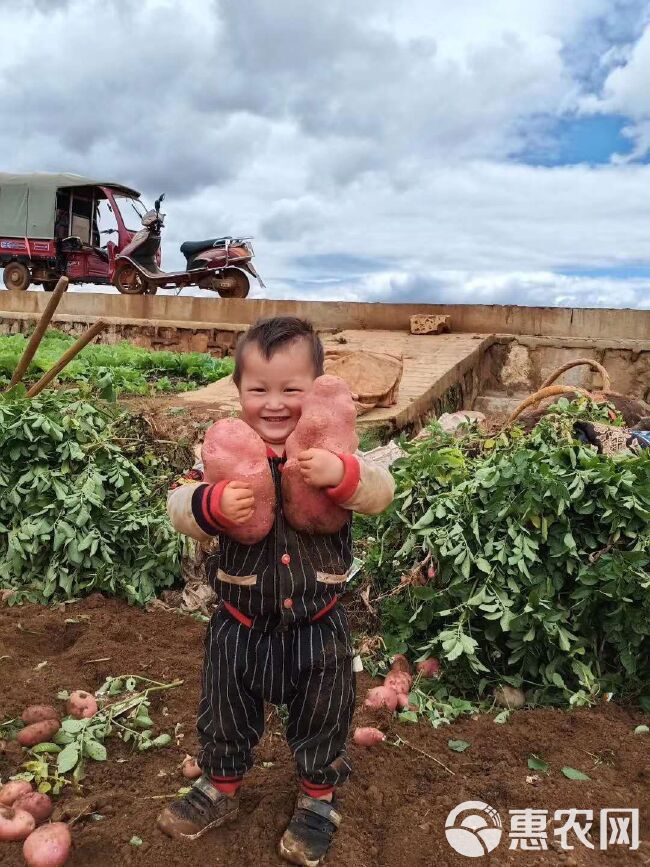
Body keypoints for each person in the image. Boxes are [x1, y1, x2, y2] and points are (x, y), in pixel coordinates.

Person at [157, 316, 394, 866]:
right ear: (238, 391)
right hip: (239, 624)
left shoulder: (336, 453)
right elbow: (177, 506)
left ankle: (317, 800)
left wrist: (341, 474)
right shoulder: (220, 455)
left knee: (323, 714)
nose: (274, 403)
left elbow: (382, 492)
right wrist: (209, 505)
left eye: (292, 389)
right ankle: (220, 784)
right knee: (225, 711)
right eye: (258, 389)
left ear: (316, 391)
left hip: (320, 625)